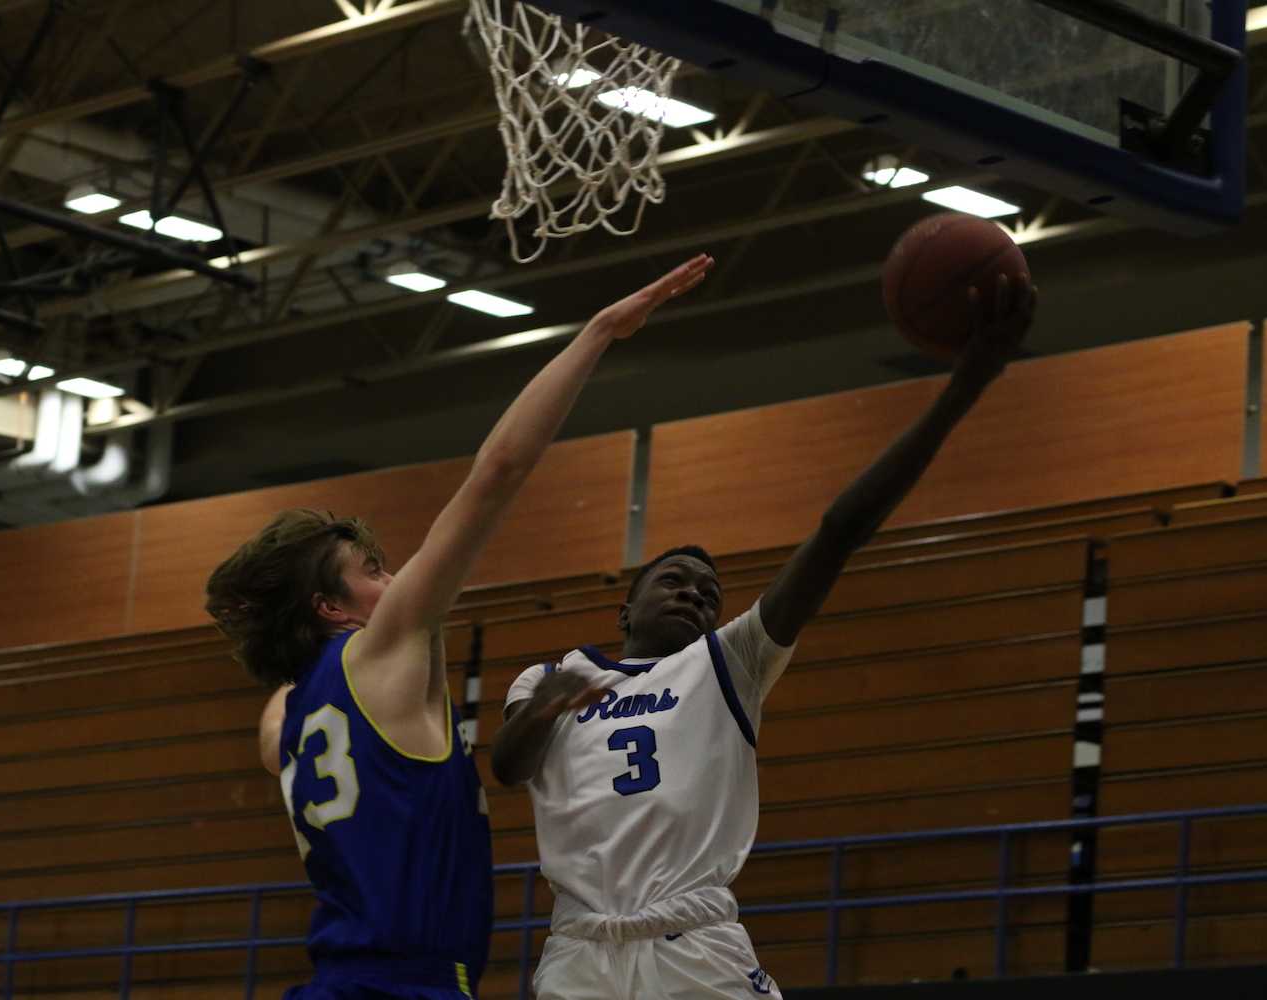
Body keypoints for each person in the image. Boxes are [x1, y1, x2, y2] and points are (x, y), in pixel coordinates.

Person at [492, 275, 1038, 999]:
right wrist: (544, 707)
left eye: (710, 593)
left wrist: (965, 386)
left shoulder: (731, 660)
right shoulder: (548, 675)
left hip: (695, 947)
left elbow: (839, 532)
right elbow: (506, 769)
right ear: (625, 610)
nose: (696, 594)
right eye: (675, 581)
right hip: (580, 954)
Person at [205, 253, 716, 1000]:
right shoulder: (383, 650)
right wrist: (600, 333)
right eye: (372, 571)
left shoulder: (283, 718)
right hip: (408, 987)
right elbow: (498, 471)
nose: (397, 578)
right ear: (331, 608)